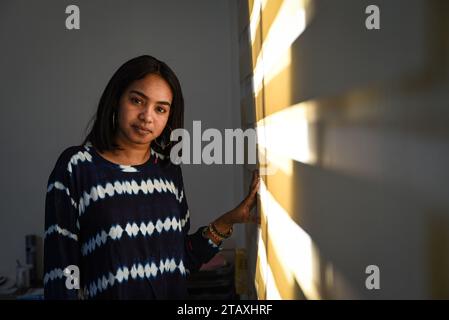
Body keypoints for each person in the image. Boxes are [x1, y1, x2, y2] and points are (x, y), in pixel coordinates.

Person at [43, 55, 260, 299]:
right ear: (116, 100)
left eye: (160, 108)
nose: (147, 116)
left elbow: (181, 260)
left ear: (169, 117)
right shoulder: (77, 167)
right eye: (137, 100)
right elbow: (60, 276)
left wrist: (228, 220)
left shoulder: (168, 170)